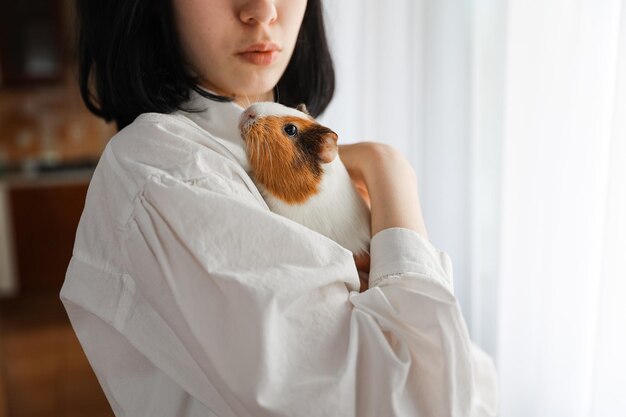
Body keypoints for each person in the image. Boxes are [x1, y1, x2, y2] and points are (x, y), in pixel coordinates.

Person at [60, 0, 499, 415]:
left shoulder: (286, 158)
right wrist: (391, 173)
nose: (264, 11)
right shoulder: (165, 168)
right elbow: (424, 401)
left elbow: (472, 388)